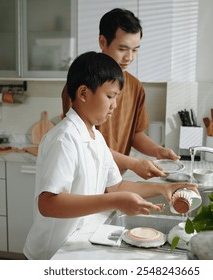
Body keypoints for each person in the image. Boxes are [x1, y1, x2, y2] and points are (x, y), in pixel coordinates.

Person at [24, 52, 198, 260]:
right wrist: (114, 201)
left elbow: (117, 186)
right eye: (110, 96)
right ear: (83, 93)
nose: (115, 105)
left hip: (76, 245)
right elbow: (48, 204)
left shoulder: (96, 137)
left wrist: (164, 188)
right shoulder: (64, 139)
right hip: (50, 253)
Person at [61, 8, 179, 180]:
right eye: (123, 49)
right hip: (86, 175)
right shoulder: (82, 85)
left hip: (115, 176)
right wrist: (132, 163)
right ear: (103, 41)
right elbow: (81, 140)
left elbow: (136, 134)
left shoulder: (135, 87)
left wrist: (158, 151)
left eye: (135, 50)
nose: (129, 57)